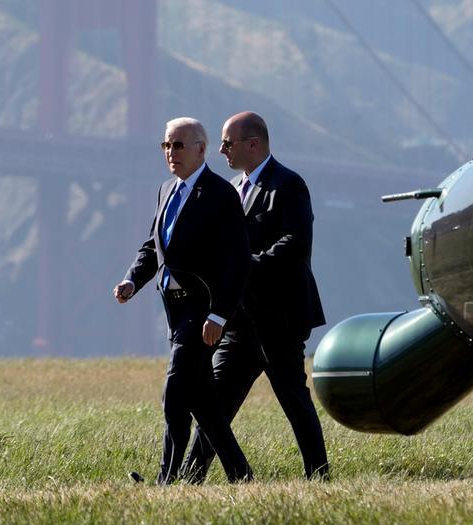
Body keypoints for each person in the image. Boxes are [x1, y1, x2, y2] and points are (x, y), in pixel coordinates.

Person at [180, 112, 330, 483]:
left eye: (227, 143)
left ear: (254, 144)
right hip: (239, 319)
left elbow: (295, 244)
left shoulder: (289, 185)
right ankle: (188, 479)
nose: (221, 150)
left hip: (279, 317)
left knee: (293, 400)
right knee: (215, 404)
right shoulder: (232, 188)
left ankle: (319, 477)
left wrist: (243, 264)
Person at [113, 117, 253, 485]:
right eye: (166, 146)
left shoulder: (221, 195)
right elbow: (153, 247)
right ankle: (241, 474)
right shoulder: (165, 191)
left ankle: (166, 481)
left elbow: (238, 262)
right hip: (175, 311)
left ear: (201, 149)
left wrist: (220, 315)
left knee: (175, 393)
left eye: (178, 145)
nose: (171, 153)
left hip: (203, 311)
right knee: (203, 402)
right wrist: (131, 280)